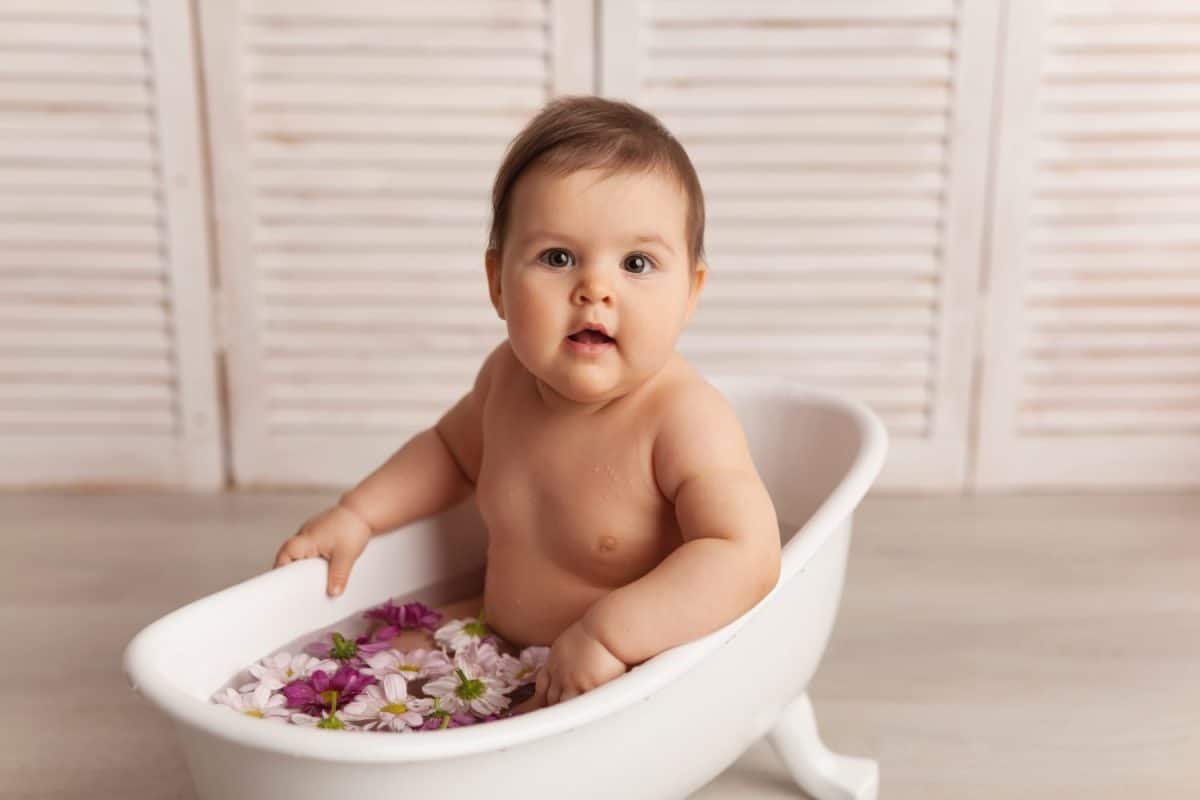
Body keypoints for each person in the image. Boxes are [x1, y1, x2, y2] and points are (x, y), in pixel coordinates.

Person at [273, 95, 782, 714]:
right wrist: (358, 514)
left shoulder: (683, 420)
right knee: (365, 662)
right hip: (496, 637)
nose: (595, 289)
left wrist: (609, 633)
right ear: (497, 284)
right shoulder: (505, 380)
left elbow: (745, 554)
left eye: (637, 263)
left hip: (618, 674)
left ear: (690, 293)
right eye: (558, 258)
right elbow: (448, 453)